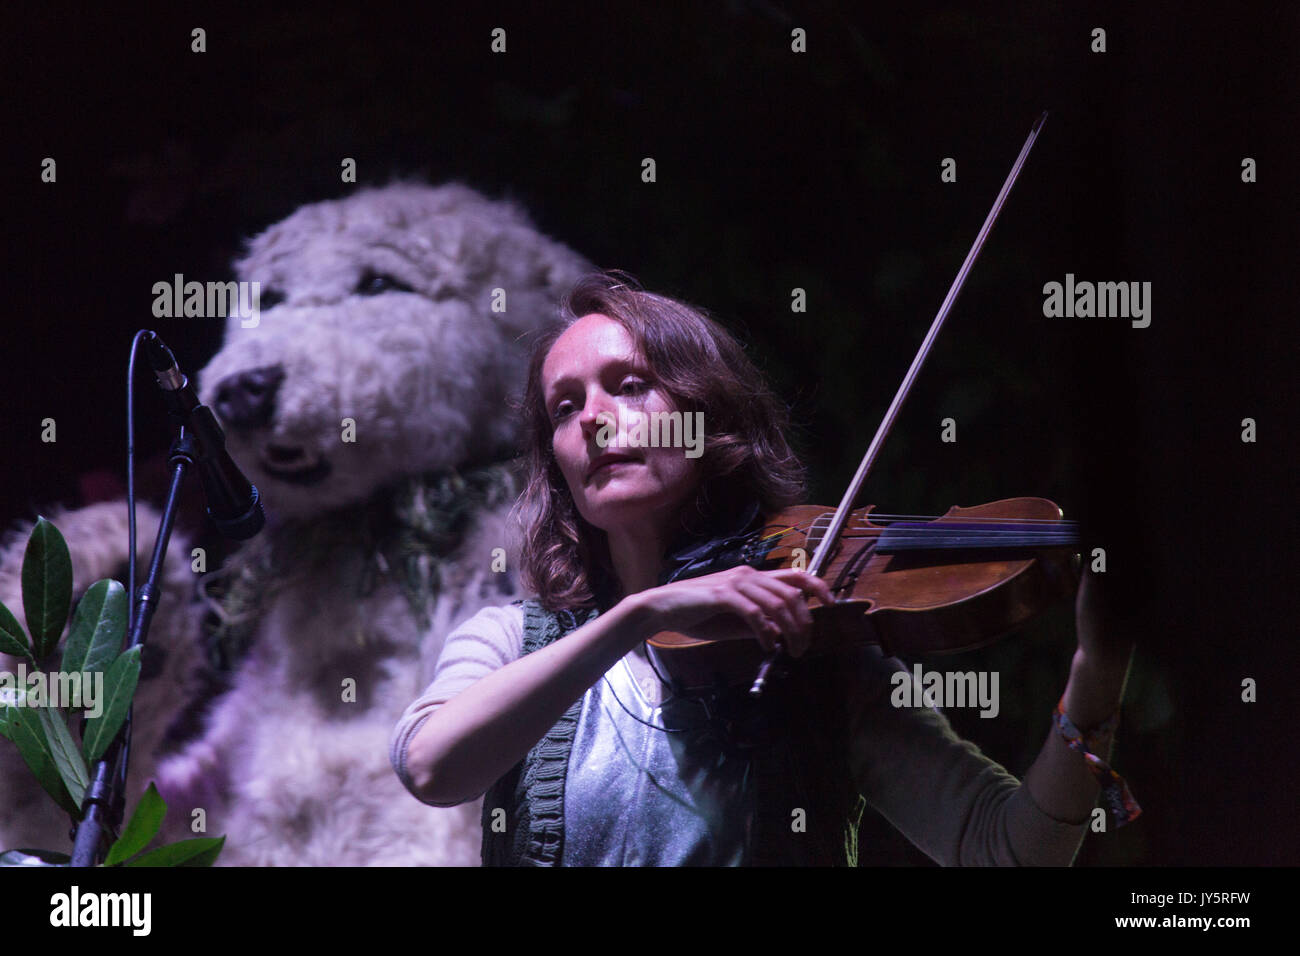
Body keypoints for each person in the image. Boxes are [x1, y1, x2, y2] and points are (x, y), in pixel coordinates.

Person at [390, 271, 1139, 866]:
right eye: (563, 406)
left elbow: (1007, 849)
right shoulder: (511, 640)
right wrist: (641, 614)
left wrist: (1098, 672)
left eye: (629, 385)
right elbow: (431, 768)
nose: (591, 417)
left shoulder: (820, 660)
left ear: (707, 417)